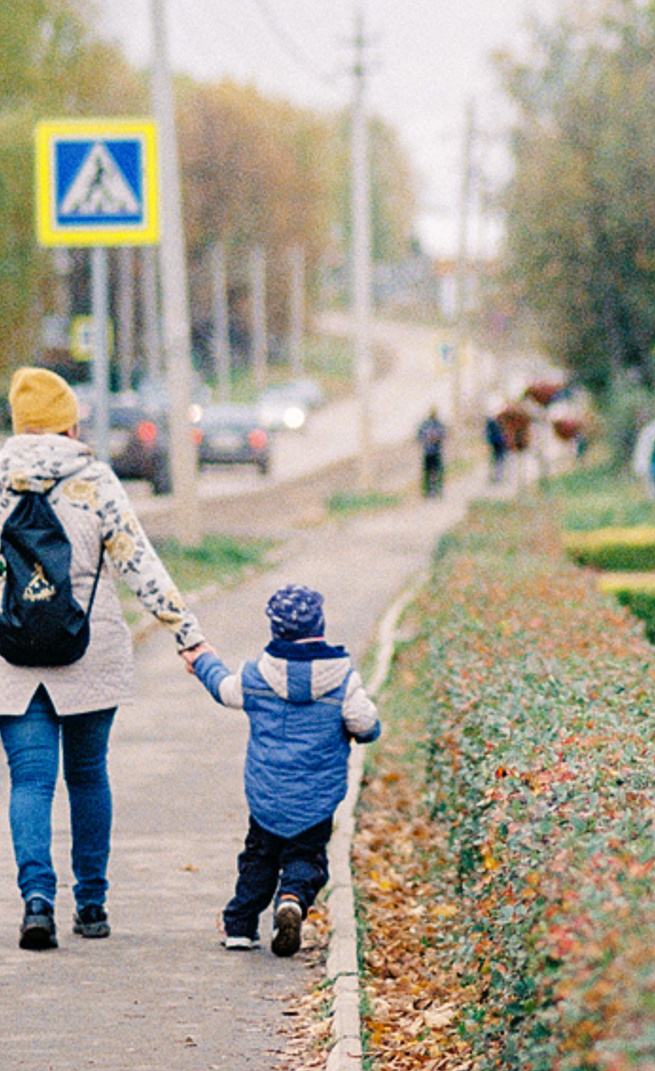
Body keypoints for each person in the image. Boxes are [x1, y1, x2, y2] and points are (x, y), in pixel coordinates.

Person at [0, 366, 205, 950]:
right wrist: (186, 632)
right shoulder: (94, 480)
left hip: (12, 655)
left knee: (30, 782)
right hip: (90, 650)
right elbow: (139, 563)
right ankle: (91, 905)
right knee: (88, 777)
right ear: (68, 422)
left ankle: (37, 900)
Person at [182, 583, 380, 956]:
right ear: (320, 625)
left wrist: (203, 659)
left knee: (258, 857)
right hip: (316, 798)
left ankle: (240, 927)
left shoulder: (256, 676)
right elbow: (365, 724)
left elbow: (224, 688)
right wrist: (366, 732)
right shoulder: (341, 679)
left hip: (267, 795)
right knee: (306, 858)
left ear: (275, 630)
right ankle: (291, 900)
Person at [416, 407, 446, 497]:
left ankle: (438, 490)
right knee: (427, 472)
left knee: (437, 471)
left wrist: (436, 437)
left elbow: (443, 435)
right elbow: (419, 436)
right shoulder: (426, 425)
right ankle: (428, 491)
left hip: (435, 451)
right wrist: (427, 438)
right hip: (428, 452)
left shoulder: (438, 424)